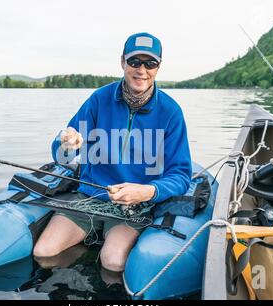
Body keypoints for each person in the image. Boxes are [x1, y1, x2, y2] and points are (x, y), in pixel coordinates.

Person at [33, 32, 192, 272]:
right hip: (88, 197)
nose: (142, 70)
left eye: (150, 63)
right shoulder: (99, 99)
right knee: (43, 252)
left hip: (135, 207)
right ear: (122, 62)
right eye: (134, 62)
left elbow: (180, 176)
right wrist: (65, 144)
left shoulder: (171, 112)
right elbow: (60, 153)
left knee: (113, 261)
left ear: (158, 67)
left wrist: (148, 191)